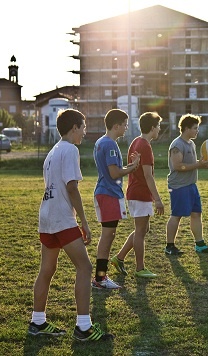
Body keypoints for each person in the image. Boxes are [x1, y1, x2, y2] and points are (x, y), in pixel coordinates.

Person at [28, 109, 113, 342]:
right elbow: (71, 187)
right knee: (85, 268)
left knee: (47, 269)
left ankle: (37, 321)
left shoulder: (52, 152)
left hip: (46, 217)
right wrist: (84, 221)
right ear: (74, 127)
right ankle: (83, 328)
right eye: (83, 127)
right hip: (61, 219)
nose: (85, 133)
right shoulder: (70, 149)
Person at [110, 112, 165, 278]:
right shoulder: (145, 146)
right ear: (152, 128)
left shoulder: (135, 141)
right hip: (140, 193)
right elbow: (148, 176)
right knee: (141, 231)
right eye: (158, 126)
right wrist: (158, 199)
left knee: (143, 228)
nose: (160, 129)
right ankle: (140, 268)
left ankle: (119, 258)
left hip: (134, 192)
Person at [92, 108, 140, 289]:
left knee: (108, 235)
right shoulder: (110, 144)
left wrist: (128, 166)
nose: (126, 128)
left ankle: (100, 277)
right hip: (109, 193)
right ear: (116, 125)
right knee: (107, 236)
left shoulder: (101, 142)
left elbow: (113, 170)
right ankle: (100, 278)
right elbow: (114, 173)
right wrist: (132, 168)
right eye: (125, 125)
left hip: (106, 191)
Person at [164, 114, 208, 255]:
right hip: (179, 186)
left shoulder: (191, 144)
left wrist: (205, 163)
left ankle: (200, 245)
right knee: (176, 215)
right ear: (186, 128)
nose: (197, 131)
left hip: (191, 185)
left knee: (196, 214)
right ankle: (169, 246)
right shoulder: (177, 144)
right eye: (195, 128)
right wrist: (198, 164)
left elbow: (193, 165)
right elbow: (177, 166)